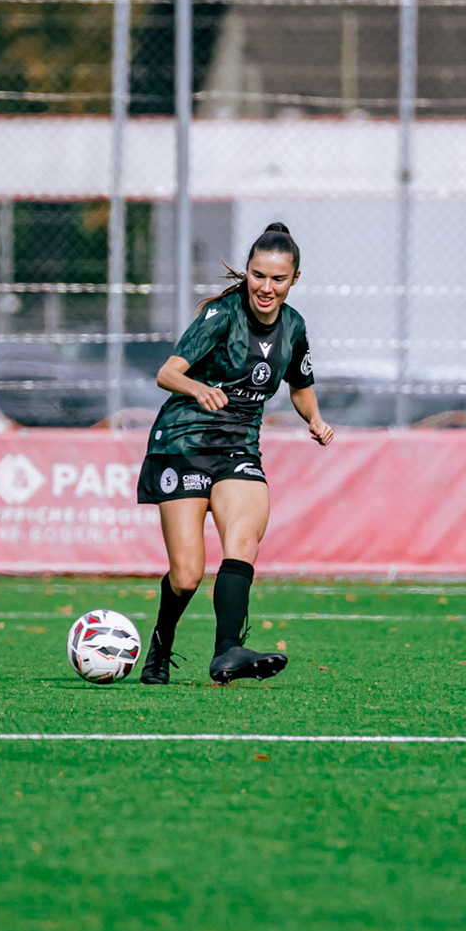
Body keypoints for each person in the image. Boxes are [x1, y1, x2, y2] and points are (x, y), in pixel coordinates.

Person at [136, 222, 334, 686]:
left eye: (277, 279)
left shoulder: (295, 326)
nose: (265, 288)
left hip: (238, 446)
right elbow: (167, 373)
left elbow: (300, 386)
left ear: (294, 279)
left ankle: (227, 651)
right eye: (257, 275)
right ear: (247, 273)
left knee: (243, 539)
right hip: (182, 441)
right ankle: (160, 648)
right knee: (186, 575)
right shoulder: (222, 315)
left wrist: (315, 419)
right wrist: (199, 389)